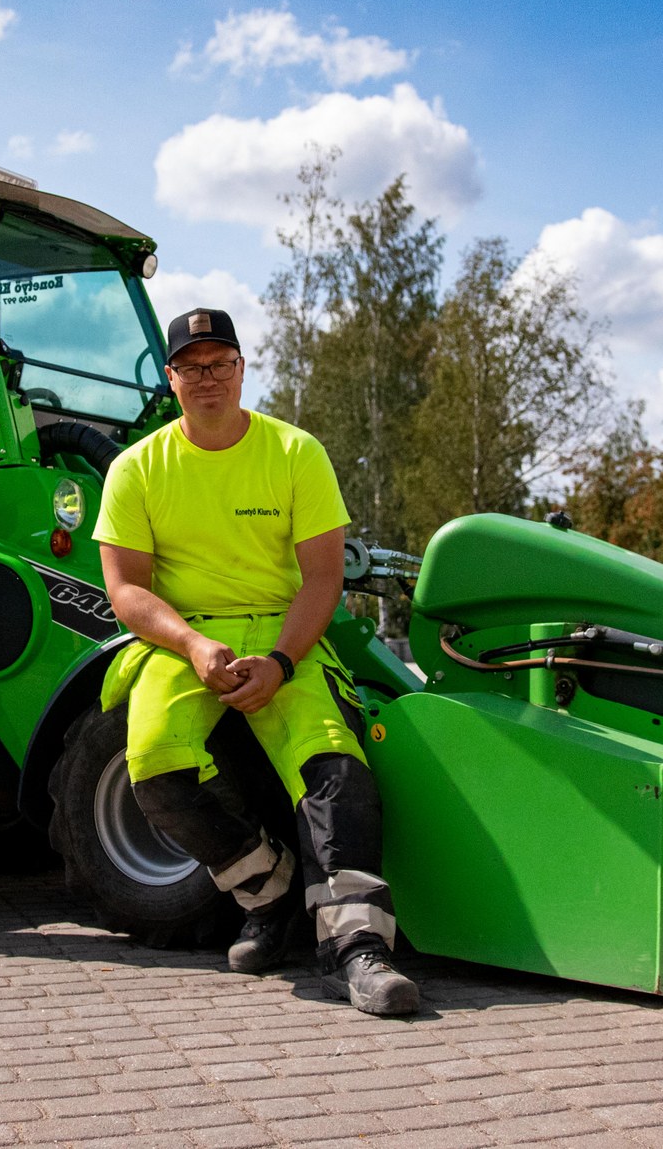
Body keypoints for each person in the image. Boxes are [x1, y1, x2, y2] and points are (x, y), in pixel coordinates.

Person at [94, 307, 418, 1016]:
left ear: (242, 369)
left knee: (334, 765)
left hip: (285, 635)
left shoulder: (296, 452)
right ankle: (267, 894)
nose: (207, 377)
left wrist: (278, 658)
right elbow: (126, 590)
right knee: (154, 763)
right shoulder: (135, 469)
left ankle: (356, 949)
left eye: (221, 363)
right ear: (170, 378)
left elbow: (323, 579)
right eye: (192, 366)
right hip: (186, 638)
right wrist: (193, 646)